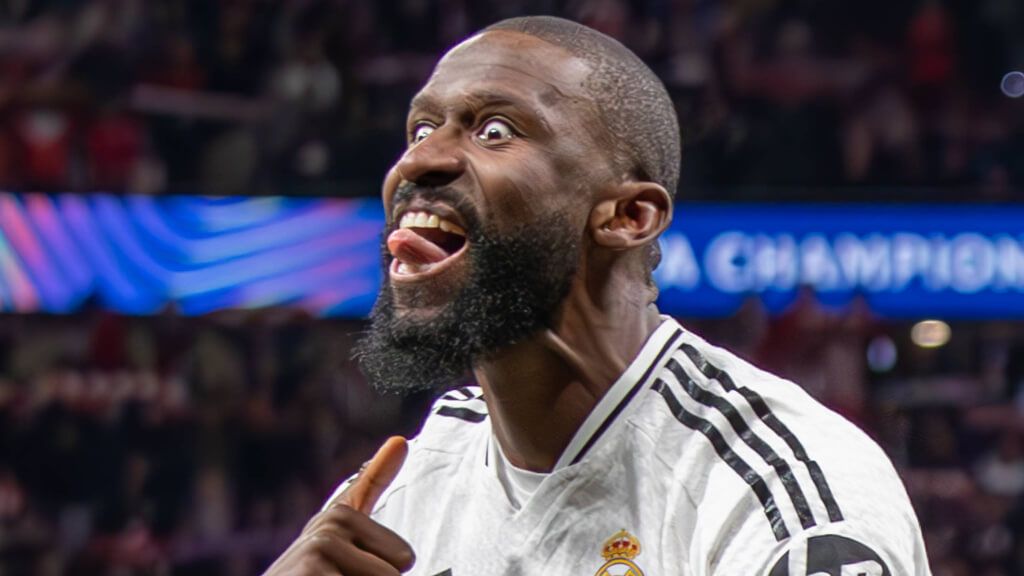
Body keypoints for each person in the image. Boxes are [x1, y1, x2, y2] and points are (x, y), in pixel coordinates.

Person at [265, 16, 931, 576]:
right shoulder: (403, 492)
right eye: (418, 130)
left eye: (493, 130)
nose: (416, 162)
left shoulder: (778, 496)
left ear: (627, 216)